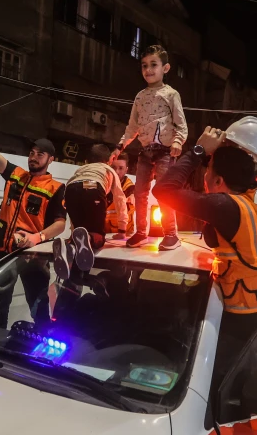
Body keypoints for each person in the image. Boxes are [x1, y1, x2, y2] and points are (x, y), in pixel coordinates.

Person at [153, 118, 257, 388]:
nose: (204, 175)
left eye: (208, 169)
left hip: (247, 333)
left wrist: (199, 150)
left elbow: (163, 190)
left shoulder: (226, 206)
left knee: (225, 393)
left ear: (219, 180)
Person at [0, 99, 67, 329]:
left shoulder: (55, 188)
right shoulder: (15, 174)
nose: (34, 157)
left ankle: (45, 343)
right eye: (32, 153)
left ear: (50, 159)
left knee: (38, 306)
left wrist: (37, 237)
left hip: (32, 256)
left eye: (40, 154)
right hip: (3, 253)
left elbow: (60, 224)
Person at [110, 44, 188, 251]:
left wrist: (178, 141)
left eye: (154, 64)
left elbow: (181, 124)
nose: (148, 69)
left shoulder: (171, 94)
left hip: (165, 151)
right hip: (145, 151)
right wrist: (120, 146)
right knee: (140, 193)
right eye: (144, 65)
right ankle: (141, 232)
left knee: (164, 192)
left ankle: (171, 234)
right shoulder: (140, 97)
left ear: (166, 68)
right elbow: (132, 127)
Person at [54, 144, 128, 279]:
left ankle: (68, 246)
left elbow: (79, 189)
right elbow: (120, 199)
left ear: (87, 161)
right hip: (94, 186)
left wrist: (73, 231)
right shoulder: (108, 170)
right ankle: (88, 238)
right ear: (109, 161)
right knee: (97, 237)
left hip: (71, 189)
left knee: (79, 231)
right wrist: (122, 229)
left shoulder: (82, 168)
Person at [104, 153, 135, 236]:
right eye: (113, 168)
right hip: (105, 233)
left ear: (126, 170)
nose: (116, 172)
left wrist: (132, 196)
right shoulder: (103, 184)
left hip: (125, 234)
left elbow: (133, 193)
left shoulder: (130, 188)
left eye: (121, 168)